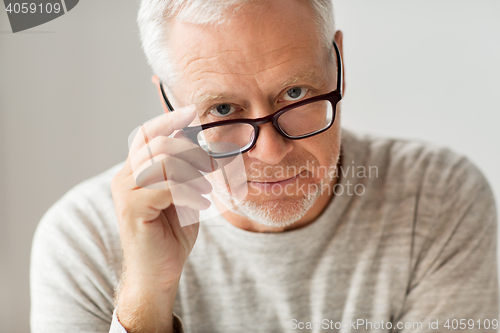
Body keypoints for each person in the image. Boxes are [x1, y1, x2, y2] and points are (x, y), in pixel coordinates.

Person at [30, 0, 498, 332]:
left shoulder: (436, 198)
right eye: (224, 111)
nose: (271, 153)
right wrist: (147, 296)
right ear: (168, 103)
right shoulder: (83, 240)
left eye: (295, 93)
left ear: (338, 66)